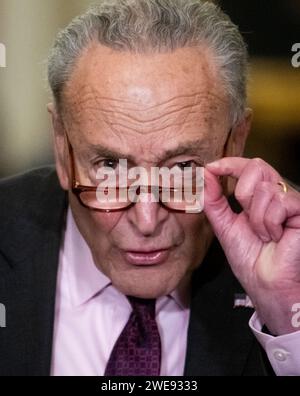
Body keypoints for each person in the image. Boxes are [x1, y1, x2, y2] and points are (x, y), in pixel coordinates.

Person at [0, 0, 300, 376]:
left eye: (181, 169)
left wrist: (291, 319)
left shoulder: (287, 259)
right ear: (62, 147)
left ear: (236, 142)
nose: (146, 221)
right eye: (110, 167)